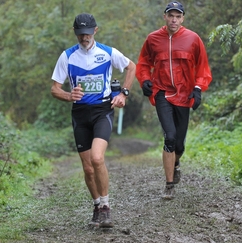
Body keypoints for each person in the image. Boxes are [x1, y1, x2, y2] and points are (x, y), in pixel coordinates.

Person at [51, 13, 136, 227]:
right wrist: (69, 96)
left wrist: (123, 94)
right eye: (80, 34)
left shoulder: (107, 53)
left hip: (102, 111)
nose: (84, 38)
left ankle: (106, 207)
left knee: (97, 159)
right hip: (80, 114)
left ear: (95, 31)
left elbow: (131, 67)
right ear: (75, 33)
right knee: (88, 168)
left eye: (87, 33)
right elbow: (55, 89)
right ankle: (97, 206)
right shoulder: (67, 56)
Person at [136, 1, 212, 199]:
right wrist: (144, 80)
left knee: (179, 145)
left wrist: (197, 89)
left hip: (184, 94)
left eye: (178, 16)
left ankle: (176, 162)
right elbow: (143, 63)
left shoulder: (193, 39)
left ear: (183, 19)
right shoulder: (153, 39)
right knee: (169, 136)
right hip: (162, 93)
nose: (174, 19)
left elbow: (203, 67)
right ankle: (169, 185)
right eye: (171, 16)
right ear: (165, 17)